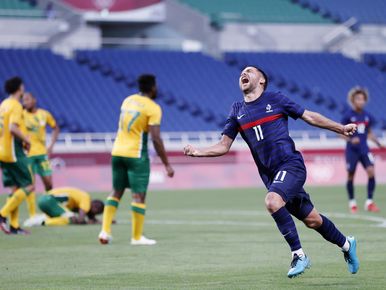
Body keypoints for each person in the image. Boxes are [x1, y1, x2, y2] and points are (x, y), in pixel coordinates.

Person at [183, 66, 359, 278]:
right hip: (271, 176)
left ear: (262, 81)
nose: (243, 74)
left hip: (290, 165)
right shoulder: (237, 109)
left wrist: (340, 128)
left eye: (249, 71)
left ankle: (299, 255)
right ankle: (347, 244)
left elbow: (309, 116)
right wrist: (197, 152)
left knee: (272, 201)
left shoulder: (275, 99)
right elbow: (223, 145)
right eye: (241, 73)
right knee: (312, 220)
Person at [98, 74, 174, 245]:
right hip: (136, 154)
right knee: (138, 195)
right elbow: (155, 138)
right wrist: (167, 164)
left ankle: (105, 231)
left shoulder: (128, 100)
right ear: (153, 87)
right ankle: (137, 237)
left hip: (117, 152)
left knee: (116, 191)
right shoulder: (153, 108)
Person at [0, 77, 35, 235]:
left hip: (2, 149)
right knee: (29, 185)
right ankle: (2, 214)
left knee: (15, 188)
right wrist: (27, 140)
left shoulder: (4, 104)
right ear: (19, 88)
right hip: (12, 150)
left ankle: (14, 226)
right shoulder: (15, 105)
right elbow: (13, 128)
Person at [342, 87, 383, 214]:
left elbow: (369, 133)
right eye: (358, 99)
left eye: (362, 99)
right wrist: (350, 139)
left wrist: (378, 143)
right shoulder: (348, 115)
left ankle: (369, 202)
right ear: (353, 100)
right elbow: (340, 132)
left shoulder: (367, 116)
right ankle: (352, 203)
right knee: (351, 175)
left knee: (371, 172)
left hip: (365, 149)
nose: (361, 101)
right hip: (352, 151)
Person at [22, 92, 60, 223]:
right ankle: (32, 215)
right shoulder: (21, 115)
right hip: (27, 155)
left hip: (42, 154)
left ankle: (51, 209)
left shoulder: (44, 114)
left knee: (49, 182)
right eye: (23, 100)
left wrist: (51, 145)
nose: (25, 102)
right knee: (30, 184)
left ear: (34, 100)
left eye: (27, 99)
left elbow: (55, 128)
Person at [24, 187, 104, 226]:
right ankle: (41, 222)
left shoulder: (82, 199)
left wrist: (100, 221)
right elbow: (80, 219)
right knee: (71, 219)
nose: (95, 214)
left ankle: (38, 218)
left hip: (45, 199)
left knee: (64, 216)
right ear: (95, 206)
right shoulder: (86, 198)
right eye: (98, 212)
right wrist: (87, 222)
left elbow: (90, 216)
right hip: (49, 200)